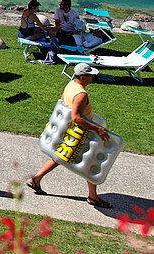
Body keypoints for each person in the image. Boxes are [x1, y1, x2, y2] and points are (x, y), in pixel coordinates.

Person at [27, 63, 113, 209]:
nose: (93, 77)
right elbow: (77, 117)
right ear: (83, 77)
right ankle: (93, 197)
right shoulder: (81, 94)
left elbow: (63, 104)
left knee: (59, 157)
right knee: (90, 163)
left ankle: (36, 179)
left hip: (69, 130)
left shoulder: (71, 84)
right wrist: (98, 129)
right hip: (79, 132)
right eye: (90, 75)